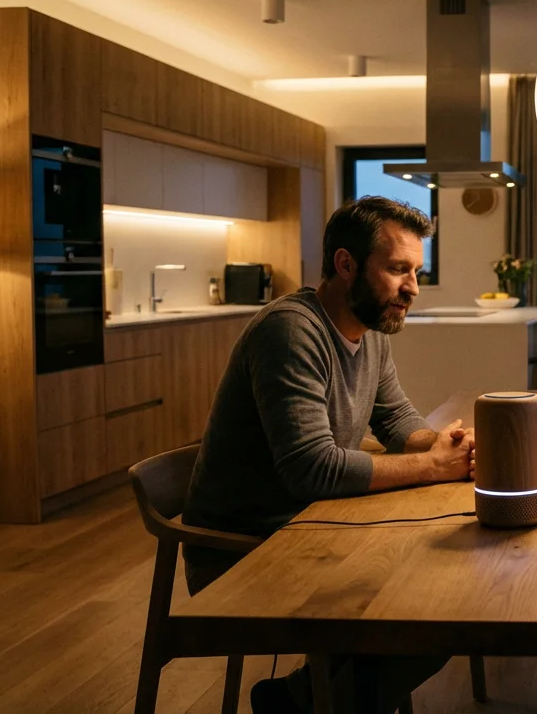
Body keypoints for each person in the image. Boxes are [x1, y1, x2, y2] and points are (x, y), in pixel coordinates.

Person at [182, 196, 474, 714]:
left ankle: (297, 698)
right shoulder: (291, 331)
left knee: (452, 587)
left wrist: (446, 446)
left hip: (312, 524)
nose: (412, 288)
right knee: (438, 610)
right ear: (345, 264)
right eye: (398, 269)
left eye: (416, 271)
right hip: (244, 548)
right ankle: (303, 700)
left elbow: (398, 420)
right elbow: (310, 469)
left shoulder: (370, 330)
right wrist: (430, 468)